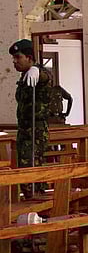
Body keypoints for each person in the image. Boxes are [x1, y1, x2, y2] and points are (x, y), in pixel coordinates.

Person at [9, 39, 52, 198]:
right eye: (13, 58)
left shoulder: (38, 73)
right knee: (25, 169)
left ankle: (36, 203)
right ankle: (31, 200)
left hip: (35, 131)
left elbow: (46, 77)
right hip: (25, 131)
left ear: (29, 57)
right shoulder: (24, 77)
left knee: (32, 170)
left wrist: (35, 69)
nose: (15, 61)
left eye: (18, 57)